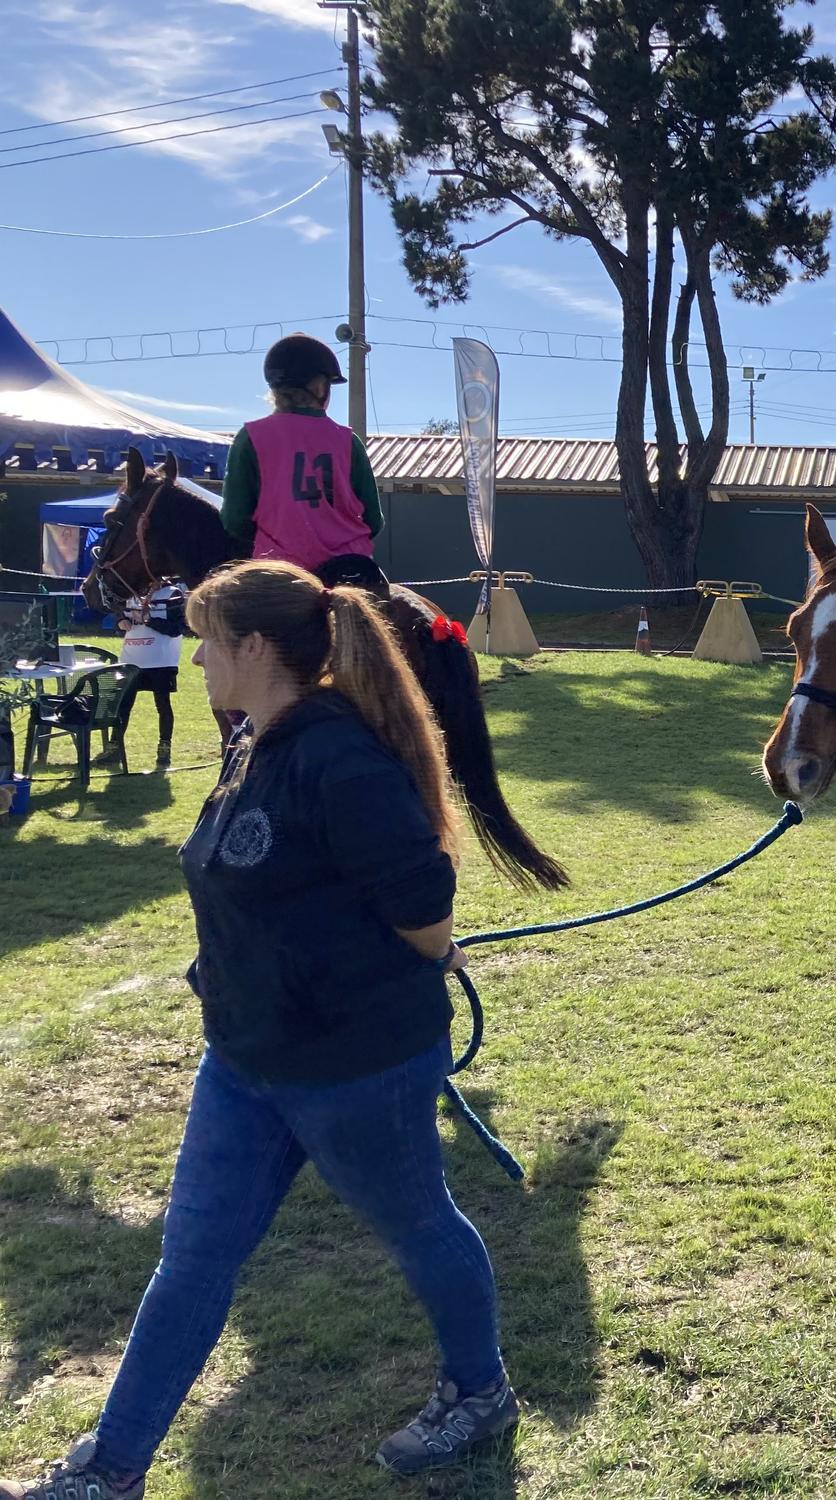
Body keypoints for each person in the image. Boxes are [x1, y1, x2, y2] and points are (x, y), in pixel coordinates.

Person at [1, 561, 515, 1500]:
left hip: (355, 1062)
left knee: (418, 1227)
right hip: (245, 1057)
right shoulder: (255, 742)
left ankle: (480, 1391)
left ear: (254, 647)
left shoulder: (340, 756)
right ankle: (110, 1471)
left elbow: (424, 901)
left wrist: (435, 950)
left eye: (207, 637)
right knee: (192, 1256)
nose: (194, 656)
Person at [221, 334, 388, 593]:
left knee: (232, 629)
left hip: (279, 574)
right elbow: (373, 521)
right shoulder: (348, 440)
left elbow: (235, 520)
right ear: (320, 387)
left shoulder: (250, 439)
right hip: (351, 574)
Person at [114, 582, 188, 766]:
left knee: (162, 704)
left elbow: (177, 628)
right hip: (132, 658)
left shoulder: (172, 593)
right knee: (123, 705)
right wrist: (120, 622)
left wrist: (148, 620)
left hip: (161, 660)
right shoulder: (129, 591)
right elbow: (119, 615)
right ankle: (114, 748)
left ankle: (164, 748)